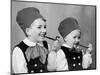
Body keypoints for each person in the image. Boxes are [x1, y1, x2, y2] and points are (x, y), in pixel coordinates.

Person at [12, 7, 49, 74]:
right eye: (39, 27)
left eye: (45, 27)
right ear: (28, 31)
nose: (44, 30)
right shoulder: (19, 51)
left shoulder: (46, 45)